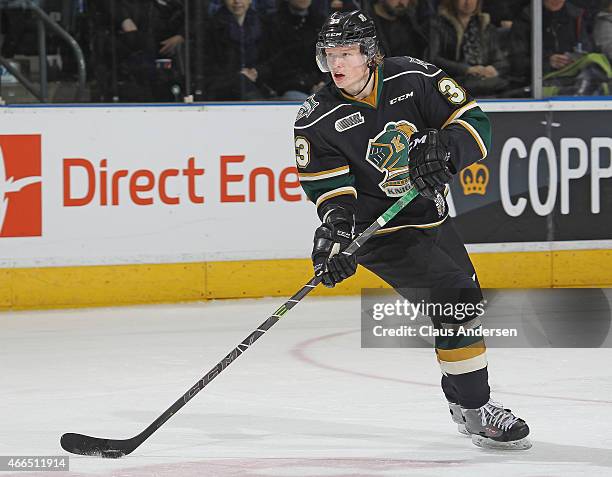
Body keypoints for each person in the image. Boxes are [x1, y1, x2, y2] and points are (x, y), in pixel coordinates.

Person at [294, 10, 531, 449]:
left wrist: (445, 146)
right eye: (330, 54)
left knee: (462, 306)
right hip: (378, 234)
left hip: (431, 216)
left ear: (369, 53)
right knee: (456, 299)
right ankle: (479, 412)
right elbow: (331, 191)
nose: (337, 63)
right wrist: (336, 231)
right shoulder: (315, 119)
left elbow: (476, 124)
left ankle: (464, 406)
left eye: (346, 53)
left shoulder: (415, 79)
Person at [427, 0, 509, 97]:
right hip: (453, 81)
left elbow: (501, 61)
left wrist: (493, 69)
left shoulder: (485, 26)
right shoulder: (438, 25)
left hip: (485, 83)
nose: (468, 2)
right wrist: (467, 69)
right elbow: (432, 59)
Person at [203, 0, 273, 100]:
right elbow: (208, 70)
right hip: (223, 92)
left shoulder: (264, 25)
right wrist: (237, 77)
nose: (237, 1)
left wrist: (256, 72)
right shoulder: (210, 28)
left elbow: (273, 61)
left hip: (259, 87)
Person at [264, 0, 327, 100]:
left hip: (319, 84)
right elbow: (277, 63)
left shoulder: (321, 21)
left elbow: (328, 58)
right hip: (289, 86)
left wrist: (323, 82)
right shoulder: (273, 22)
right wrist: (309, 85)